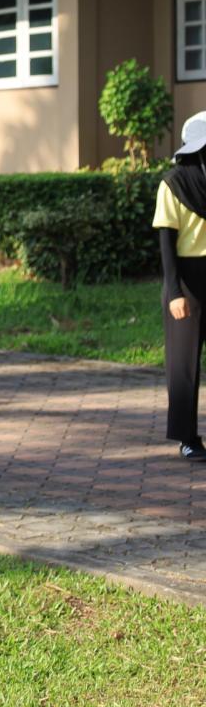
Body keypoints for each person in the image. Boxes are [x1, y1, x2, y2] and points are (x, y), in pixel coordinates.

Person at [155, 111, 206, 460]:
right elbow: (165, 243)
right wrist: (174, 292)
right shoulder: (172, 184)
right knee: (184, 364)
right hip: (186, 281)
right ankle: (188, 438)